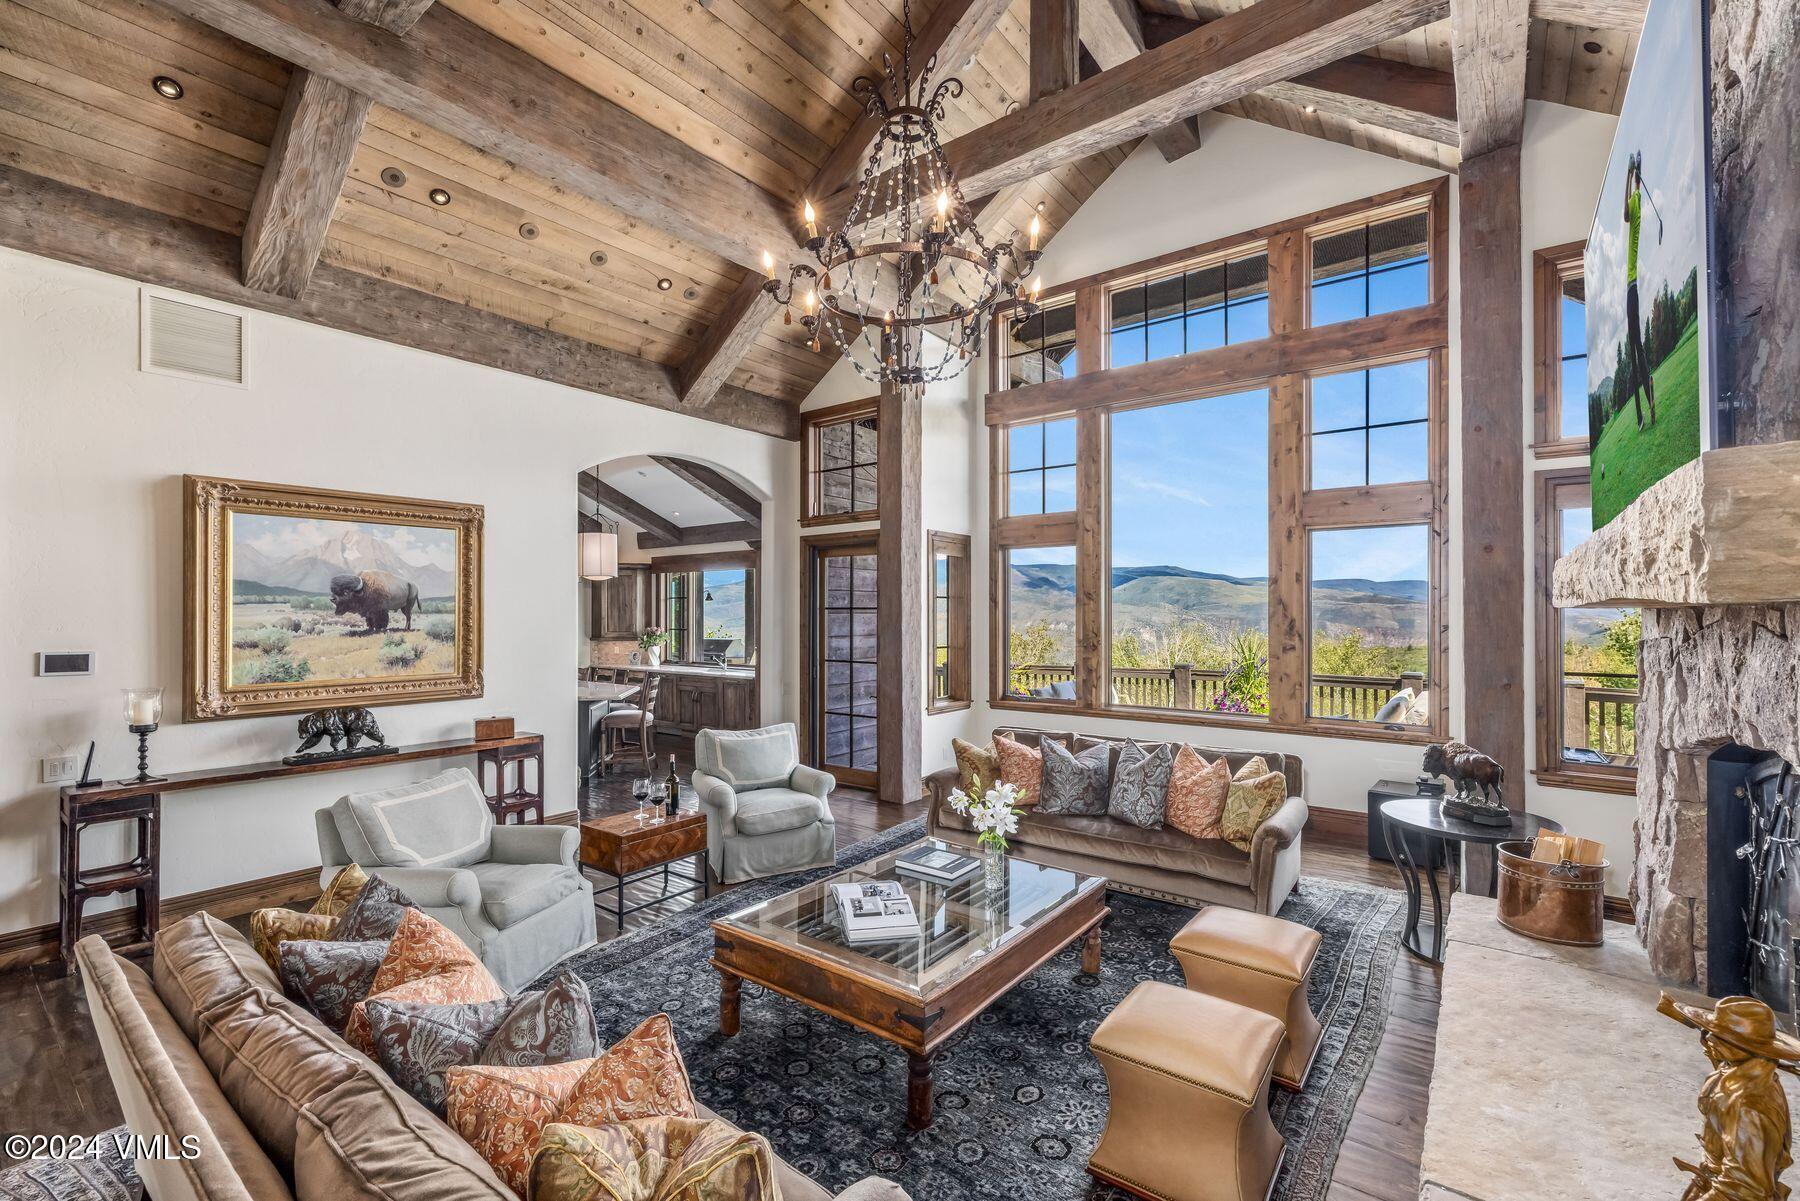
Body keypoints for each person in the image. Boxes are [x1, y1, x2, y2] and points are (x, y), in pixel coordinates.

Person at [1659, 992, 1798, 1201]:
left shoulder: (1749, 1106)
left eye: (1721, 1037)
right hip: (1712, 1181)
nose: (1709, 1039)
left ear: (1748, 1047)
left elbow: (1744, 1187)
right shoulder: (1742, 1069)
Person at [1621, 152, 1660, 431]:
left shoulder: (1634, 202)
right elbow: (1634, 195)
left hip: (1631, 288)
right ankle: (1648, 396)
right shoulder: (1640, 197)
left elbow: (1625, 214)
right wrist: (1636, 175)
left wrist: (1626, 174)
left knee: (1635, 351)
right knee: (1637, 348)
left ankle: (1642, 412)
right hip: (1631, 289)